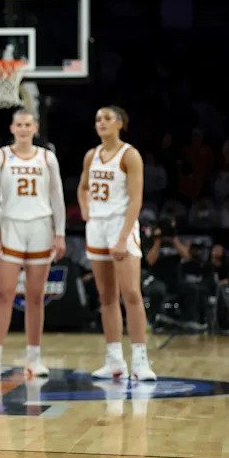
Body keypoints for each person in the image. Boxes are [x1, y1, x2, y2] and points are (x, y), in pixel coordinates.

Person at [0, 109, 68, 379]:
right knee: (5, 294)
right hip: (10, 226)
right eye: (19, 124)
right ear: (12, 128)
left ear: (35, 128)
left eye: (28, 124)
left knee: (36, 297)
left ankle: (34, 358)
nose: (24, 129)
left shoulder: (47, 157)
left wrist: (60, 233)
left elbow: (57, 197)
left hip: (40, 226)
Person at [78, 105, 157, 381]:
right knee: (106, 296)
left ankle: (140, 360)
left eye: (107, 118)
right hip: (97, 227)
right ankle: (114, 360)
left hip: (120, 225)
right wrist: (85, 209)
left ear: (120, 123)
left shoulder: (129, 155)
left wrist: (123, 237)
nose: (101, 122)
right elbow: (83, 187)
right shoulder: (91, 155)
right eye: (98, 119)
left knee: (131, 293)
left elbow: (136, 199)